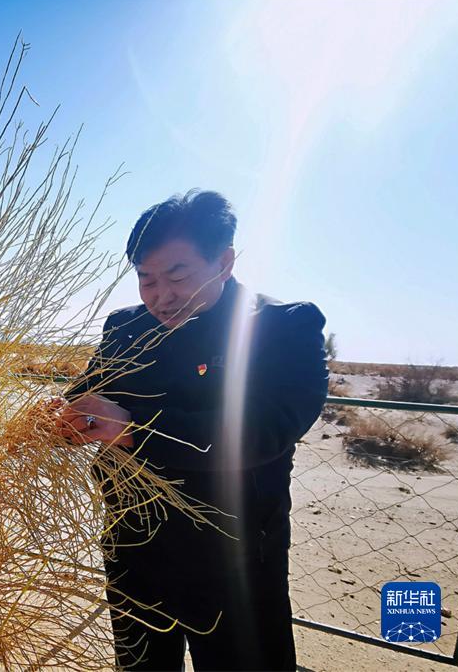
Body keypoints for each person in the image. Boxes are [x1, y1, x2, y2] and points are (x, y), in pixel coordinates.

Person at [56, 190, 328, 671]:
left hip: (234, 559)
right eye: (146, 279)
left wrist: (131, 428)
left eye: (177, 276)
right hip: (133, 546)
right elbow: (87, 400)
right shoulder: (125, 329)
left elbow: (263, 431)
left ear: (223, 262)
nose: (161, 296)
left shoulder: (282, 327)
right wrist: (59, 419)